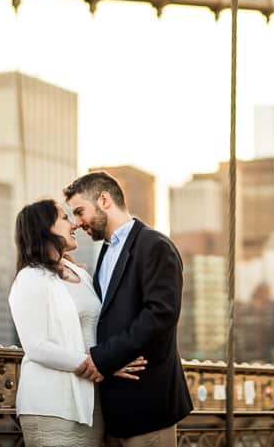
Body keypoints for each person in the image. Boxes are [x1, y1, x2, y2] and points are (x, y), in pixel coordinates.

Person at [64, 172, 193, 447]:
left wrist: (104, 358)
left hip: (148, 405)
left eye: (79, 211)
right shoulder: (105, 253)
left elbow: (160, 315)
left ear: (104, 199)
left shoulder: (155, 245)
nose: (77, 223)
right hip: (114, 410)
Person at [8, 199, 147, 447]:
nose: (74, 224)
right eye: (64, 218)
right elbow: (37, 346)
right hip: (51, 406)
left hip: (92, 405)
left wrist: (112, 356)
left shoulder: (81, 274)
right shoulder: (30, 278)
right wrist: (99, 363)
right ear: (45, 227)